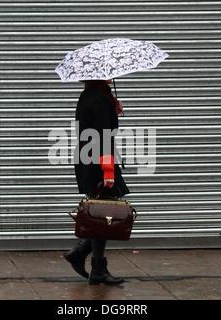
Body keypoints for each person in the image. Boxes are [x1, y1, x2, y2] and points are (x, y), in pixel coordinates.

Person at [64, 79, 130, 285]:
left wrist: (114, 110)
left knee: (103, 214)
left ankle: (87, 259)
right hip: (98, 162)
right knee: (105, 215)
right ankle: (92, 263)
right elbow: (103, 137)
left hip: (88, 158)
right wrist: (108, 171)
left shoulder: (88, 96)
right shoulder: (100, 99)